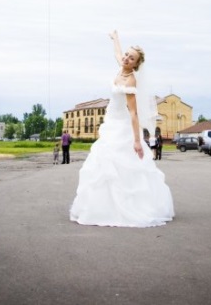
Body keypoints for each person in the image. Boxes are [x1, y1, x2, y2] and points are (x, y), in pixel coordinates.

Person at [70, 30, 174, 227]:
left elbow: (133, 113)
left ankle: (127, 207)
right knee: (102, 163)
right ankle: (101, 206)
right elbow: (117, 54)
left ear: (136, 64)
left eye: (131, 58)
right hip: (110, 122)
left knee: (121, 164)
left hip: (121, 125)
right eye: (127, 55)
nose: (126, 58)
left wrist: (136, 141)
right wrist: (115, 38)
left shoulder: (130, 80)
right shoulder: (121, 67)